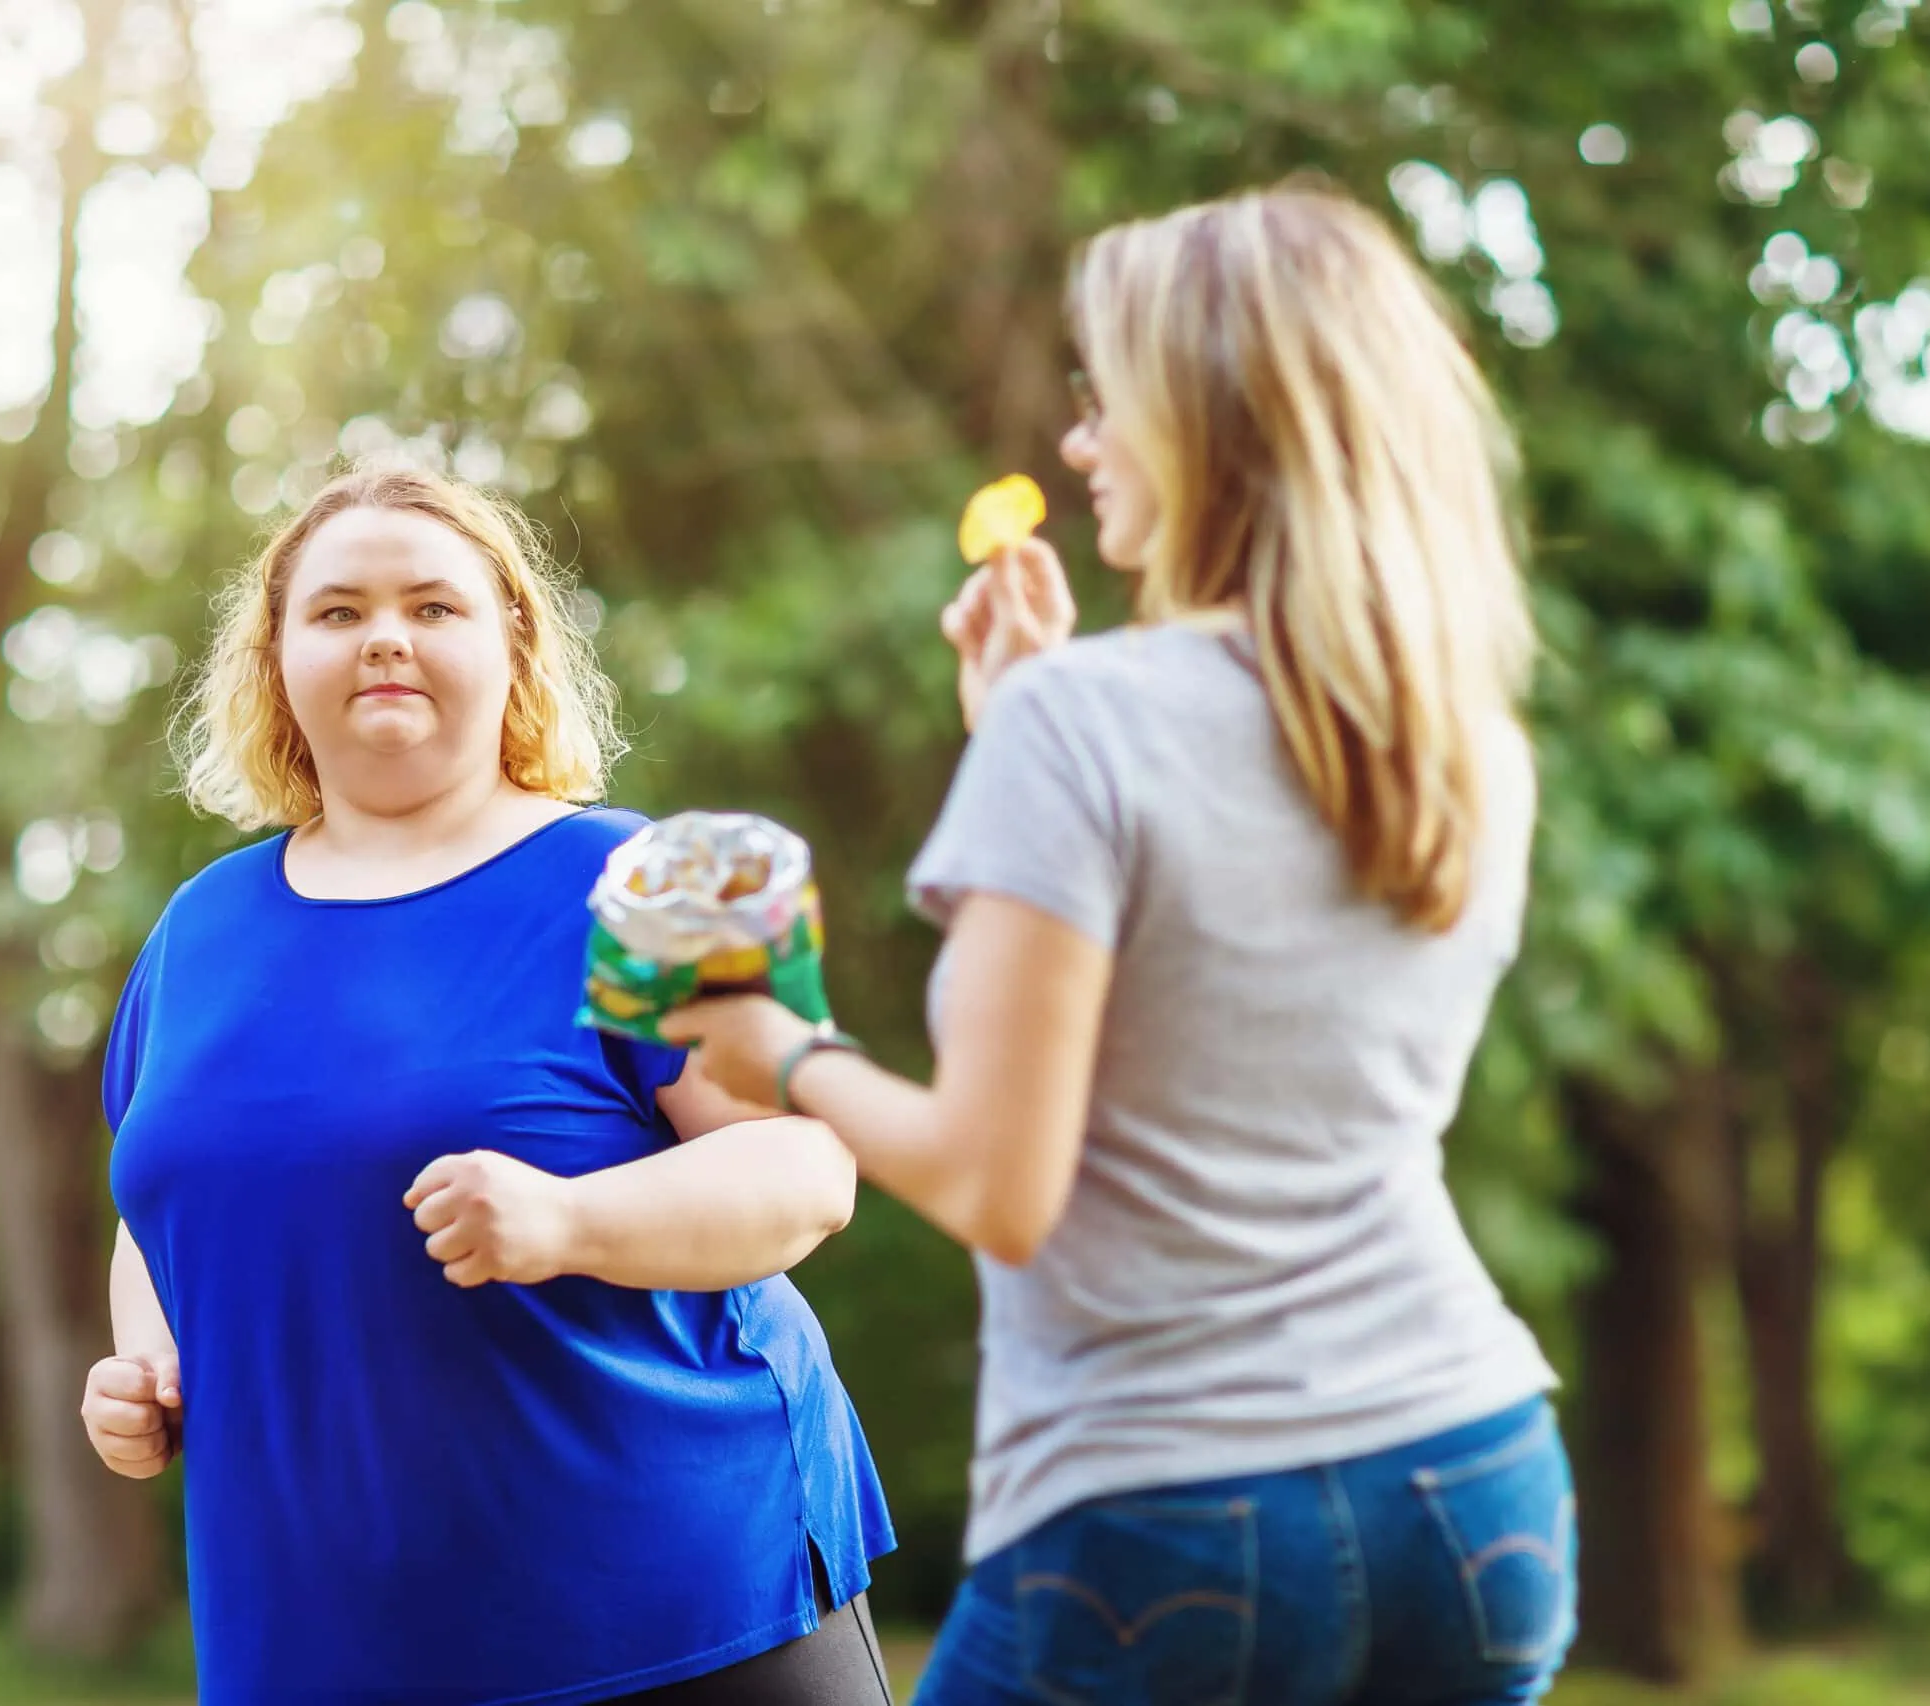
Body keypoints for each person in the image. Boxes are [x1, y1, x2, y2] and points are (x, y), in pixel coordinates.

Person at [666, 181, 1576, 1705]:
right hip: (1472, 1476)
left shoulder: (1083, 727)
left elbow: (993, 1183)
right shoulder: (1461, 738)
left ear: (1213, 420)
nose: (1080, 441)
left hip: (1171, 1505)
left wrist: (785, 1050)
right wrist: (1025, 716)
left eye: (1109, 401)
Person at [77, 465, 896, 1706]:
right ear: (277, 659)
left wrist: (573, 1220)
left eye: (434, 606)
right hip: (321, 1645)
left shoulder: (657, 874)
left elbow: (808, 1167)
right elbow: (160, 1207)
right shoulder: (199, 928)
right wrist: (149, 1364)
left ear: (513, 643)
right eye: (338, 610)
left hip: (679, 1614)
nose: (385, 637)